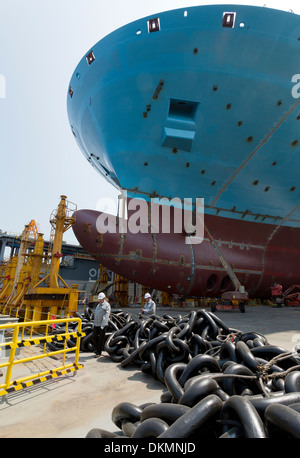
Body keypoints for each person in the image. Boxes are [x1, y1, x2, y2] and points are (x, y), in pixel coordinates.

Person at [93, 292, 111, 357]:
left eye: (101, 299)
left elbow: (106, 316)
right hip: (96, 324)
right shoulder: (98, 305)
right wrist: (94, 323)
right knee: (94, 336)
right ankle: (97, 349)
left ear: (104, 298)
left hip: (102, 325)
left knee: (101, 339)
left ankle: (98, 352)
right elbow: (96, 314)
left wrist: (102, 326)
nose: (100, 300)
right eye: (99, 299)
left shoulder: (107, 305)